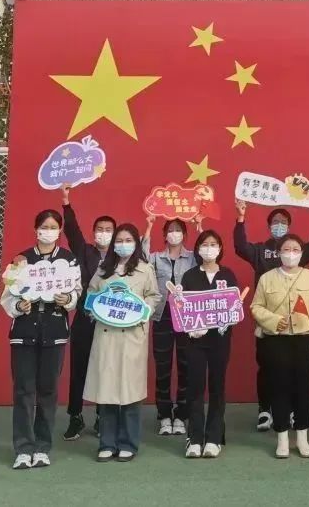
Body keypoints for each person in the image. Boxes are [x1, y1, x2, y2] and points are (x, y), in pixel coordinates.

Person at [235, 199, 309, 432]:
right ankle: (265, 409)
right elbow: (240, 247)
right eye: (275, 222)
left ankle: (293, 411)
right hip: (268, 324)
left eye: (283, 222)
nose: (279, 225)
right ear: (269, 226)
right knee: (267, 368)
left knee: (296, 373)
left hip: (297, 327)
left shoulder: (297, 251)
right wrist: (241, 218)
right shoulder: (259, 251)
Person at [0, 209, 79, 470]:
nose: (48, 231)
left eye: (53, 227)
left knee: (48, 391)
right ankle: (23, 448)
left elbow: (76, 291)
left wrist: (68, 299)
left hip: (54, 332)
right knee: (23, 390)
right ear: (36, 229)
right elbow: (8, 295)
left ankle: (43, 447)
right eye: (44, 226)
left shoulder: (68, 260)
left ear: (60, 230)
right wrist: (18, 306)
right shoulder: (21, 260)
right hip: (24, 332)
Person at [250, 233, 309, 459]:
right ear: (279, 253)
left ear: (302, 253)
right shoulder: (267, 278)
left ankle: (302, 437)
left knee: (303, 389)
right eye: (286, 249)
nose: (291, 254)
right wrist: (273, 320)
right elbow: (256, 307)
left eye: (295, 249)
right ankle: (282, 438)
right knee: (279, 388)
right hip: (276, 340)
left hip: (304, 339)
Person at [84, 224, 160, 462]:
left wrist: (144, 311)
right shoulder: (103, 269)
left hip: (131, 336)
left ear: (136, 243)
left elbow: (154, 295)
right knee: (107, 390)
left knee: (130, 391)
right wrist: (94, 309)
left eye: (128, 240)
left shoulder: (145, 269)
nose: (123, 244)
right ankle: (107, 443)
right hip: (106, 336)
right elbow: (91, 294)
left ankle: (128, 443)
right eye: (119, 240)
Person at [60, 184, 115, 441]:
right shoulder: (85, 251)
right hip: (85, 319)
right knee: (79, 368)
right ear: (94, 233)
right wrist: (66, 202)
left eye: (108, 230)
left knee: (105, 369)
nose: (103, 233)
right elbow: (72, 231)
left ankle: (103, 416)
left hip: (111, 323)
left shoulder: (121, 258)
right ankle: (75, 416)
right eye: (99, 229)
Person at [181, 230, 238, 459]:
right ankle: (194, 438)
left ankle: (214, 437)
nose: (209, 248)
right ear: (198, 249)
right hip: (195, 341)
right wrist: (190, 326)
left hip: (220, 341)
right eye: (205, 244)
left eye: (213, 244)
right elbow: (182, 308)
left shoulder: (228, 275)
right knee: (195, 387)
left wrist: (226, 320)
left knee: (217, 387)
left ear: (220, 248)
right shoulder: (189, 276)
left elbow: (234, 307)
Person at [142, 215, 197, 437]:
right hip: (162, 316)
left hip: (186, 317)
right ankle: (164, 414)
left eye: (178, 229)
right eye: (170, 230)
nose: (174, 233)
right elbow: (141, 258)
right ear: (165, 235)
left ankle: (181, 415)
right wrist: (149, 227)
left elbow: (207, 255)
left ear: (184, 234)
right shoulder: (156, 258)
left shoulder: (192, 257)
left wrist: (200, 227)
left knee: (186, 365)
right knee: (163, 367)